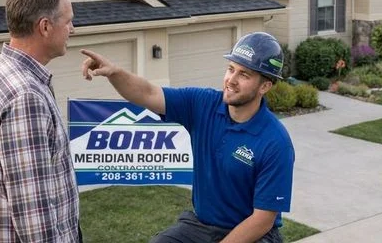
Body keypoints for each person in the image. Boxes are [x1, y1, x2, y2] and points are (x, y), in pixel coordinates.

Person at [81, 31, 295, 243]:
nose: (231, 80)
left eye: (244, 74)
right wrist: (114, 73)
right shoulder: (203, 104)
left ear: (265, 86)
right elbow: (148, 93)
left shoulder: (275, 142)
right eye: (231, 69)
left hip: (255, 235)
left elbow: (262, 220)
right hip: (203, 226)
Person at [0, 0, 82, 243]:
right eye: (68, 21)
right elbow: (35, 220)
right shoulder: (25, 97)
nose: (72, 29)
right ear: (45, 27)